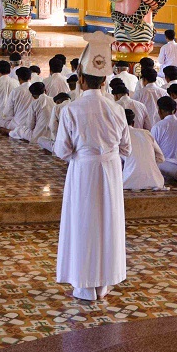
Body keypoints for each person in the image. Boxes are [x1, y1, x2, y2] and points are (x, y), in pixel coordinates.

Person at [55, 31, 130, 302]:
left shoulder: (71, 110)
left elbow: (62, 150)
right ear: (105, 80)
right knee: (108, 223)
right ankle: (103, 283)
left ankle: (84, 284)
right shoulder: (117, 109)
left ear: (81, 79)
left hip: (83, 171)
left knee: (83, 223)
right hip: (110, 170)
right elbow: (126, 148)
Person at [121, 109, 166, 191]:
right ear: (133, 123)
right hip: (156, 181)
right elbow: (161, 158)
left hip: (127, 182)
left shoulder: (120, 136)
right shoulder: (146, 133)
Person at [151, 95, 177, 161]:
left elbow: (152, 148)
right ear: (175, 110)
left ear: (160, 111)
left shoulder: (158, 127)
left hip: (164, 164)